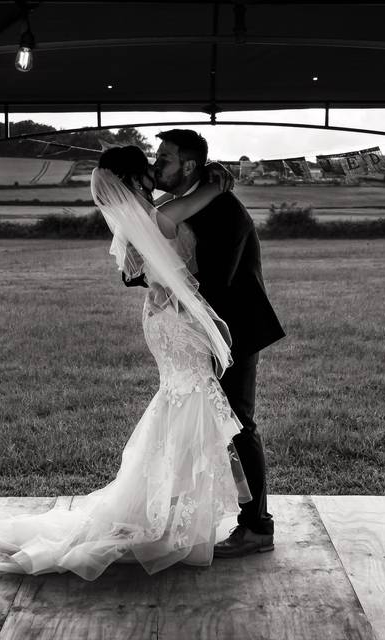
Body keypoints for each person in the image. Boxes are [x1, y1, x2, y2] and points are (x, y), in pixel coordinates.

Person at [0, 146, 252, 580]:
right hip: (175, 321)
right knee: (194, 404)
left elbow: (147, 271)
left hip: (163, 321)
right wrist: (214, 184)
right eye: (150, 167)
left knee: (184, 406)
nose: (156, 171)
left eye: (162, 163)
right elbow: (180, 260)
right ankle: (177, 512)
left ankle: (171, 509)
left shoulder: (137, 213)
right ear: (137, 179)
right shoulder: (158, 214)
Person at [134, 129, 285, 558]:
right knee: (203, 426)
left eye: (164, 158)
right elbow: (137, 269)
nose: (156, 164)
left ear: (188, 166)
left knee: (237, 423)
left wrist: (172, 292)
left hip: (232, 331)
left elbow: (219, 280)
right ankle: (194, 516)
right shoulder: (179, 204)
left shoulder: (225, 209)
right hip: (195, 329)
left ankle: (257, 527)